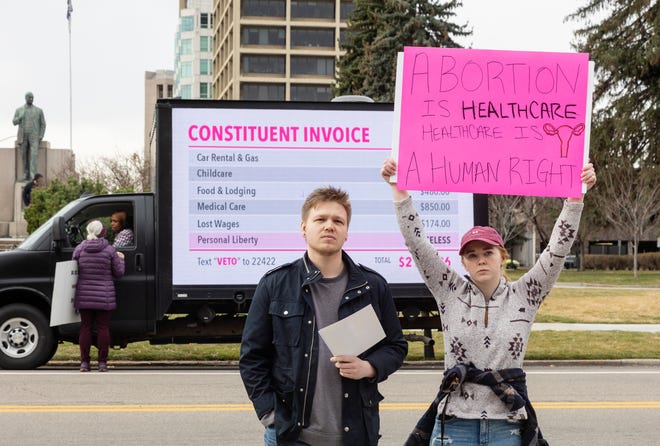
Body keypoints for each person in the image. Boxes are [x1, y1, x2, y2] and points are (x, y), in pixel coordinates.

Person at [381, 157, 596, 446]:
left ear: (502, 257)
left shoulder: (526, 295)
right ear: (464, 262)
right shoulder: (448, 291)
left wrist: (575, 198)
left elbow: (557, 249)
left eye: (488, 252)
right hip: (454, 425)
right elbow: (417, 244)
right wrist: (399, 191)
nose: (480, 259)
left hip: (506, 426)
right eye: (472, 255)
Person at [239, 186, 408, 446]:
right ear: (304, 228)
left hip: (355, 434)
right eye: (320, 219)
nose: (329, 226)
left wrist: (369, 367)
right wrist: (270, 415)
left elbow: (396, 347)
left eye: (338, 221)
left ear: (346, 232)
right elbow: (252, 357)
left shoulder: (372, 287)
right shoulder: (275, 284)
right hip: (291, 435)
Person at [72, 220, 125, 372]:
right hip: (104, 295)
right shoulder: (109, 250)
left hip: (84, 295)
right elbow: (119, 273)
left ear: (88, 231)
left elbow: (73, 268)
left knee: (85, 328)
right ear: (103, 232)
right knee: (103, 328)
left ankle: (84, 363)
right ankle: (102, 363)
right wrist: (121, 260)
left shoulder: (80, 249)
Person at [13, 92, 46, 181]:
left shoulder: (39, 110)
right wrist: (20, 117)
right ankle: (25, 174)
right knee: (24, 156)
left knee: (34, 155)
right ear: (26, 98)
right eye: (30, 98)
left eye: (32, 98)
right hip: (23, 135)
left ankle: (33, 176)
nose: (31, 99)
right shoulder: (19, 110)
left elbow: (43, 124)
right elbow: (14, 122)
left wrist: (41, 135)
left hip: (34, 136)